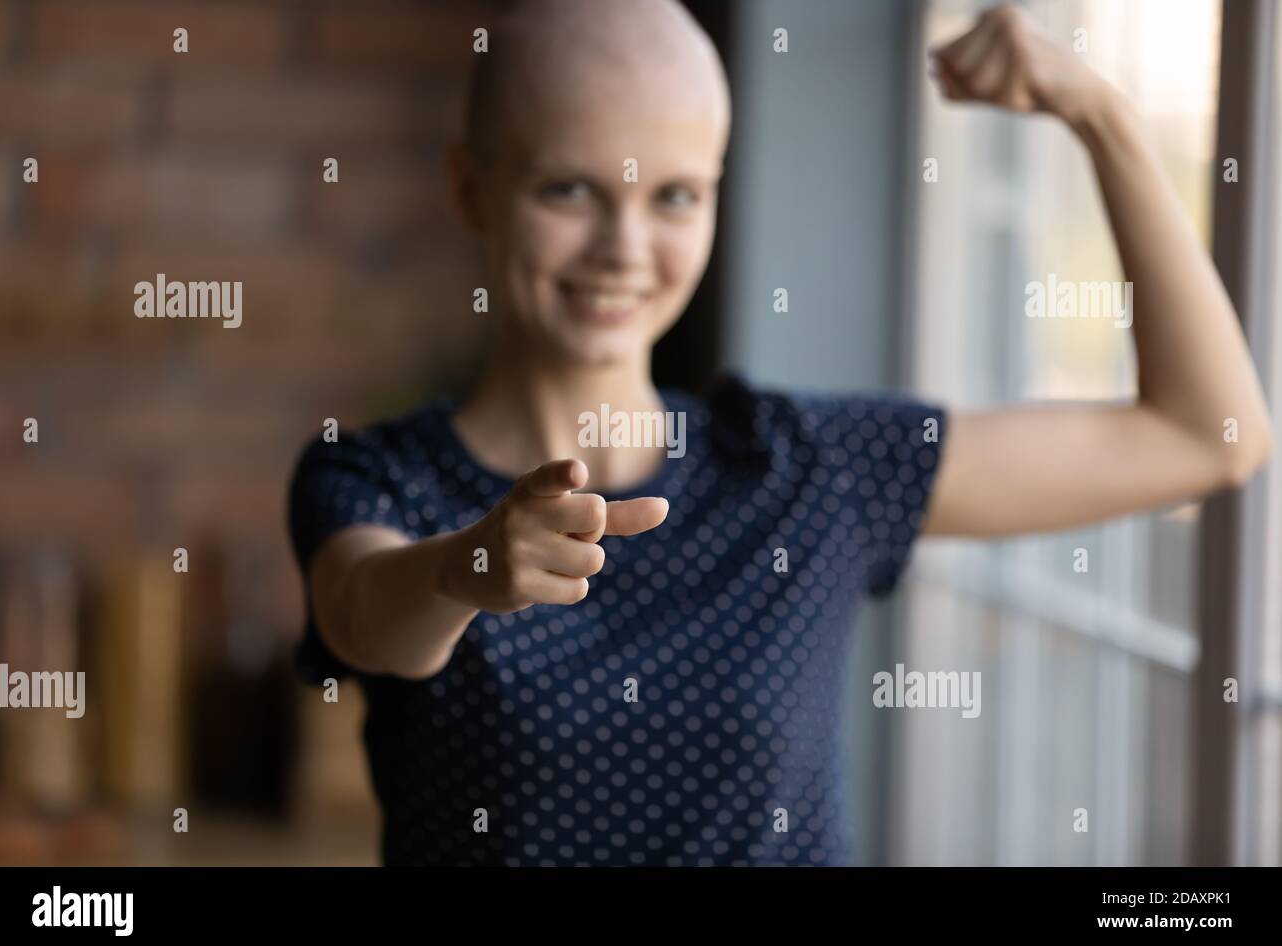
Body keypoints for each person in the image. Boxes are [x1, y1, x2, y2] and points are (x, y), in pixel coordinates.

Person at [288, 0, 1273, 865]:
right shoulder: (377, 476)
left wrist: (1098, 115)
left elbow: (1207, 432)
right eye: (570, 189)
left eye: (673, 194)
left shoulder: (809, 469)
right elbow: (365, 614)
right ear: (471, 189)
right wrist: (468, 566)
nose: (625, 247)